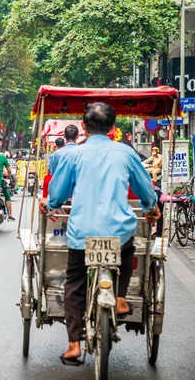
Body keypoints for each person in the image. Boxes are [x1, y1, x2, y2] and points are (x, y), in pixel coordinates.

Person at [39, 102, 160, 366]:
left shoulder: (72, 156)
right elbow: (145, 188)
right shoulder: (126, 154)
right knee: (127, 251)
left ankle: (73, 346)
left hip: (82, 232)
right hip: (120, 230)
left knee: (75, 283)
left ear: (83, 127)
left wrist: (50, 204)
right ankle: (119, 298)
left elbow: (57, 195)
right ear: (113, 128)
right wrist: (152, 208)